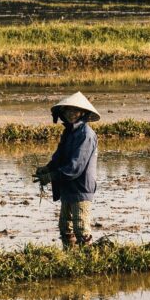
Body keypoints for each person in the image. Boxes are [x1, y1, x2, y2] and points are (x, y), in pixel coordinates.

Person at [34, 91, 100, 249]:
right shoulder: (69, 132)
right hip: (67, 187)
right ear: (63, 113)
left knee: (80, 227)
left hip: (80, 188)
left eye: (75, 110)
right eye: (68, 110)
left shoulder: (86, 135)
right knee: (65, 226)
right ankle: (70, 256)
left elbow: (75, 167)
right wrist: (47, 169)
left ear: (82, 112)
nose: (71, 114)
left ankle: (89, 260)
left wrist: (51, 176)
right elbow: (59, 158)